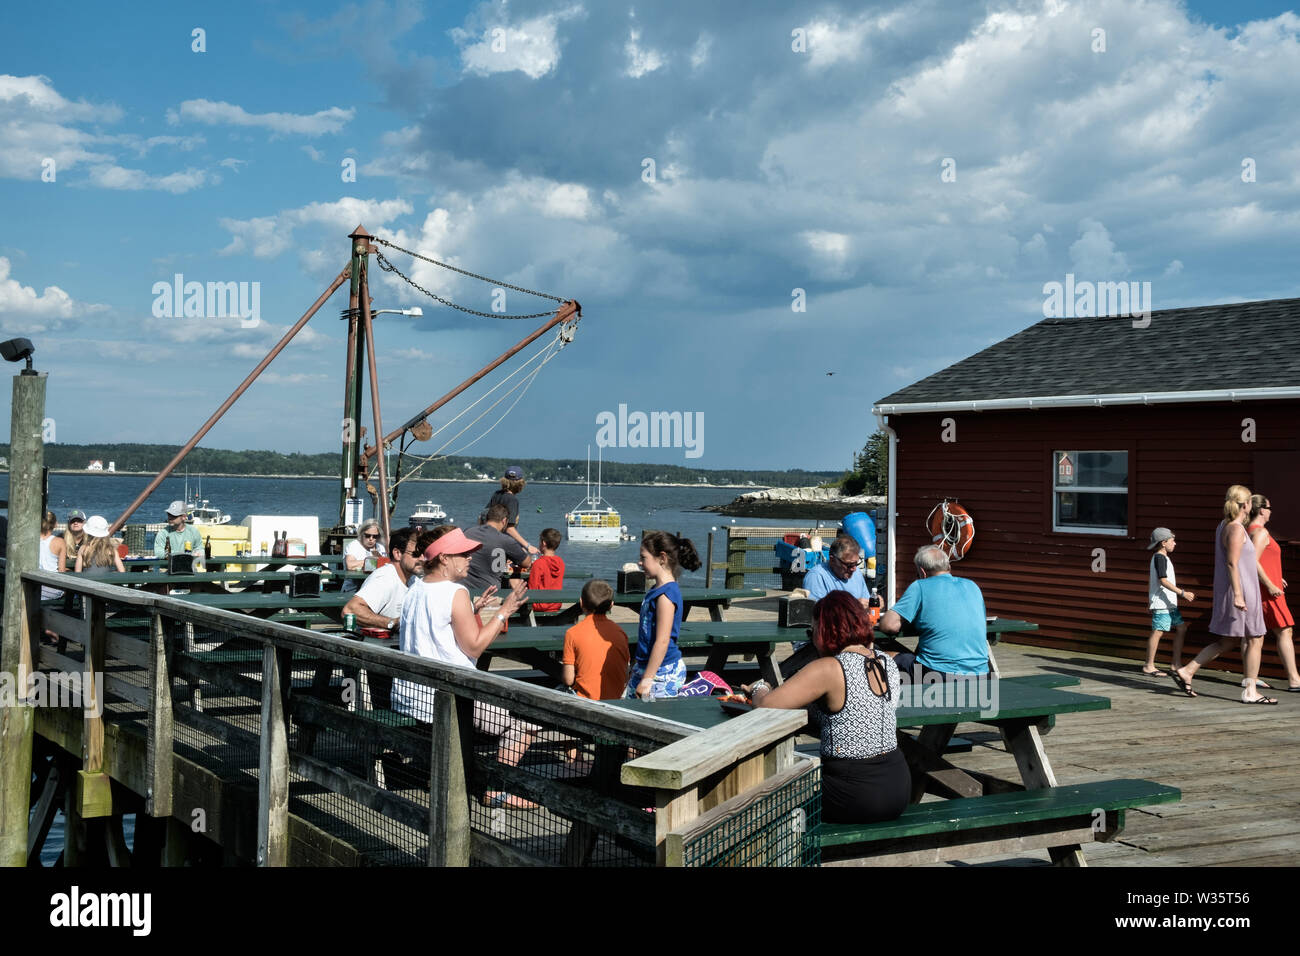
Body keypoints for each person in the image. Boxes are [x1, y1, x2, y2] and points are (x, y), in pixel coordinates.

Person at [391, 525, 538, 809]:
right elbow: (473, 647)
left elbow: (434, 631)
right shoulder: (455, 592)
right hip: (449, 697)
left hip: (411, 694)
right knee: (525, 725)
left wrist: (473, 611)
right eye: (464, 553)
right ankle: (494, 789)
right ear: (444, 558)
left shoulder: (414, 586)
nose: (470, 557)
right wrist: (505, 611)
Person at [747, 591, 909, 824]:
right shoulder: (886, 661)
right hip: (898, 785)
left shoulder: (829, 668)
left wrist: (760, 686)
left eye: (813, 631)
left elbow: (765, 706)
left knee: (768, 798)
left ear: (825, 631)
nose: (812, 638)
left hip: (855, 793)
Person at [1171, 485, 1273, 703]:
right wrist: (1238, 595)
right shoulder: (1235, 528)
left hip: (1235, 590)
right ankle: (1250, 692)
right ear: (1246, 505)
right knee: (1256, 638)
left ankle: (1188, 670)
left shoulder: (1223, 525)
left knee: (1228, 642)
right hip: (1242, 591)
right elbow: (1232, 563)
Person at [879, 545, 989, 680]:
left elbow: (889, 625)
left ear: (922, 572)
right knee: (919, 655)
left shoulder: (920, 586)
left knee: (880, 658)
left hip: (938, 672)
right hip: (980, 672)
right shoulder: (972, 586)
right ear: (948, 568)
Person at [626, 531, 701, 699]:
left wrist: (647, 679)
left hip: (662, 671)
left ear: (662, 558)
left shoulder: (666, 596)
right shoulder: (655, 591)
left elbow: (663, 640)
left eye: (643, 558)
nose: (639, 562)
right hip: (647, 666)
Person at [1248, 494, 1299, 692]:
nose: (1270, 512)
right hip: (1268, 592)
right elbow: (1252, 561)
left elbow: (1262, 561)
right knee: (1285, 630)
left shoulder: (1250, 530)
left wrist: (1277, 577)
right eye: (1269, 508)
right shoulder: (1260, 532)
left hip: (1268, 586)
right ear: (1262, 510)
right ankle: (1294, 679)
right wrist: (1270, 584)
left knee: (1255, 636)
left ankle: (1250, 678)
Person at [342, 527, 422, 633]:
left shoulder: (414, 580)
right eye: (416, 554)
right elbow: (350, 611)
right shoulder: (385, 578)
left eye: (424, 553)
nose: (422, 558)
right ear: (397, 553)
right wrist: (392, 623)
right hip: (375, 645)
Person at [562, 579, 630, 700]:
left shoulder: (572, 633)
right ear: (611, 605)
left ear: (581, 603)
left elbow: (568, 679)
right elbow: (625, 674)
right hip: (615, 700)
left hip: (585, 700)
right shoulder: (621, 633)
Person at [1143, 527, 1194, 678]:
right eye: (1172, 540)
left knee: (1181, 628)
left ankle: (1175, 664)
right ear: (1164, 542)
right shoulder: (1159, 558)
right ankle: (1148, 665)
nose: (1175, 543)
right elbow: (1162, 581)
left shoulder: (1163, 557)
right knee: (1158, 632)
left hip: (1169, 603)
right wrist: (1182, 593)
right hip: (1162, 604)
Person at [464, 504, 531, 592]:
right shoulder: (506, 540)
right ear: (504, 521)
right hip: (489, 593)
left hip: (464, 590)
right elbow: (527, 563)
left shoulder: (468, 532)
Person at [803, 534, 871, 608]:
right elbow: (818, 612)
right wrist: (853, 606)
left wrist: (873, 603)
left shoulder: (856, 572)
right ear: (832, 560)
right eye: (849, 564)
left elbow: (866, 602)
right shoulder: (816, 576)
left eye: (856, 563)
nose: (854, 569)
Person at [484, 465, 539, 556]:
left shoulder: (497, 494)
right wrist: (527, 546)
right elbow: (509, 528)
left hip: (489, 540)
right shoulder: (512, 500)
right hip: (501, 545)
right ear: (521, 483)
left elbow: (483, 516)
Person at [342, 519, 387, 593]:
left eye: (375, 536)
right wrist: (373, 561)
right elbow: (350, 565)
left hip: (374, 589)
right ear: (362, 534)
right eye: (367, 535)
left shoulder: (380, 547)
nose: (371, 539)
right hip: (353, 589)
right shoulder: (353, 546)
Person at [526, 528, 564, 613]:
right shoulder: (560, 562)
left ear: (543, 543)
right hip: (556, 604)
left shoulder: (539, 563)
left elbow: (532, 588)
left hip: (539, 605)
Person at [38, 511, 65, 600]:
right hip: (52, 589)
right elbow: (62, 571)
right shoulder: (60, 542)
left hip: (34, 587)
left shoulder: (31, 539)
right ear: (55, 524)